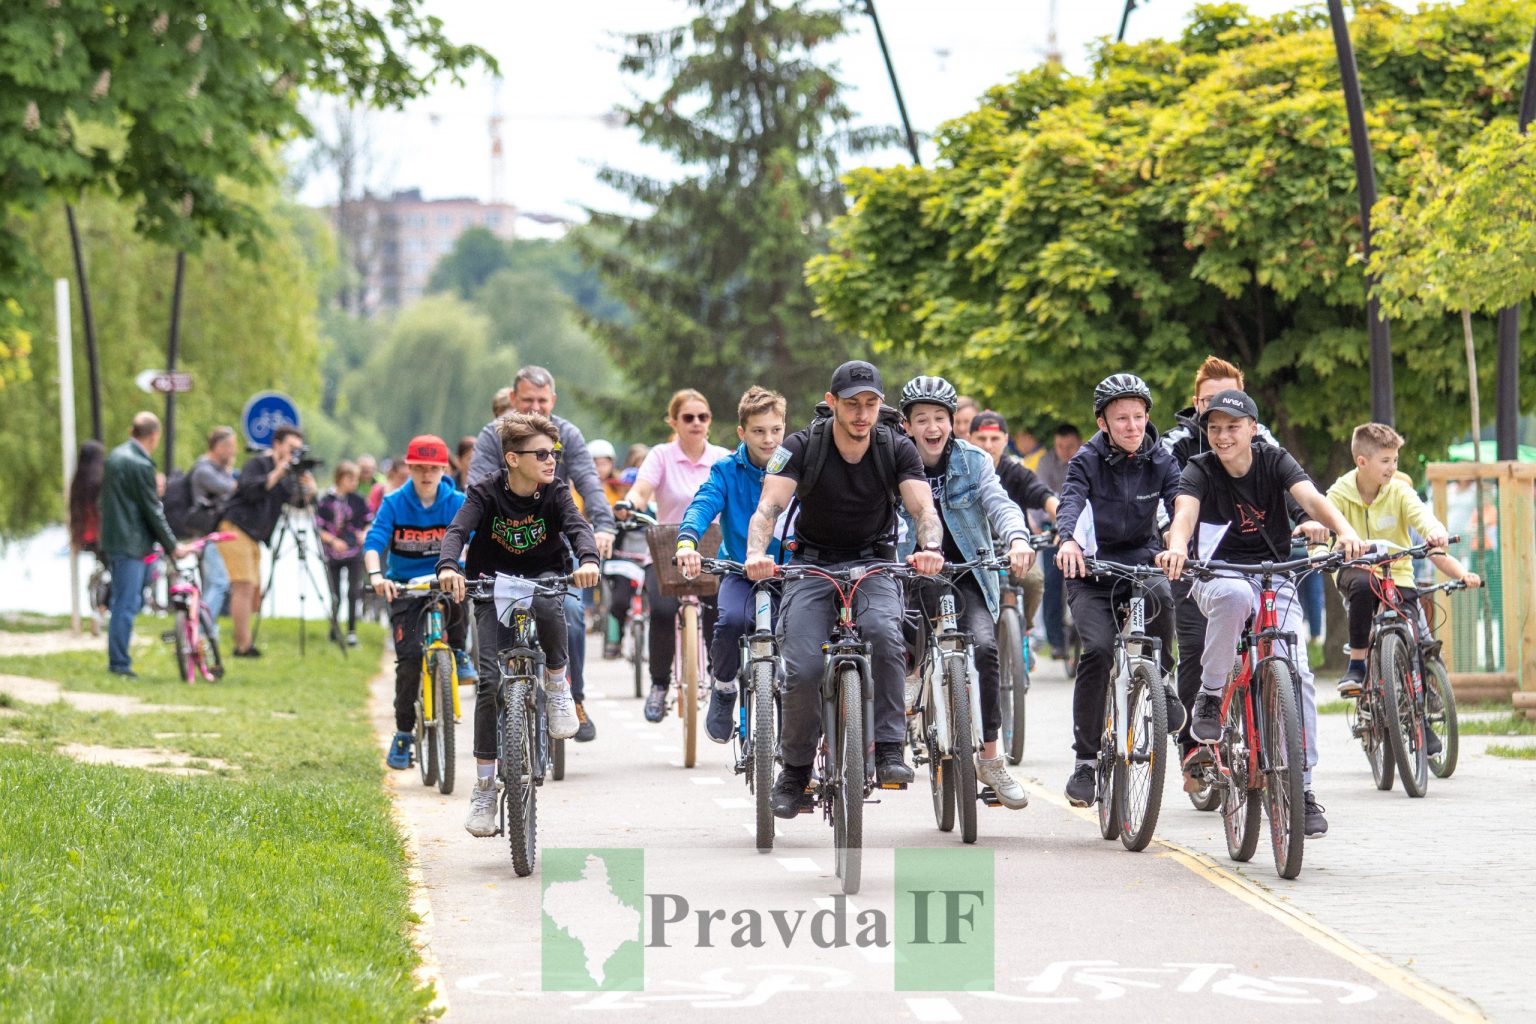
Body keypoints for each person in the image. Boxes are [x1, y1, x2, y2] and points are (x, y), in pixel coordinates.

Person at [1158, 389, 1367, 839]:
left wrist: (1345, 531)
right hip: (1217, 574)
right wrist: (1177, 547)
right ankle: (1211, 698)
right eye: (1214, 428)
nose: (1222, 436)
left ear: (1253, 429)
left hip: (1274, 575)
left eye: (1233, 427)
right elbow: (1184, 514)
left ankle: (1303, 787)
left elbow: (1311, 499)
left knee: (1299, 673)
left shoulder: (1274, 460)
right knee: (1234, 598)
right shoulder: (1200, 469)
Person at [744, 360, 945, 817]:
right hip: (812, 565)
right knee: (802, 667)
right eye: (852, 404)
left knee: (885, 636)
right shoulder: (801, 446)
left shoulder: (896, 447)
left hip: (874, 561)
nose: (862, 414)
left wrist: (929, 545)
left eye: (871, 404)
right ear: (832, 403)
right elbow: (768, 508)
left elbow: (923, 510)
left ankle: (890, 747)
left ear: (881, 405)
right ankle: (795, 772)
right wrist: (757, 552)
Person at [1159, 355, 1325, 786]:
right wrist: (1173, 541)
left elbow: (1286, 486)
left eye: (1232, 413)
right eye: (1211, 407)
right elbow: (1173, 501)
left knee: (1286, 663)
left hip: (1264, 564)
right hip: (1199, 562)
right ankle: (1196, 748)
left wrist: (1307, 519)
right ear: (1196, 404)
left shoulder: (1262, 441)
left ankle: (1278, 750)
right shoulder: (1178, 446)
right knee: (1197, 647)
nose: (1223, 426)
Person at [437, 413, 600, 837]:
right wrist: (449, 566)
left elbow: (578, 527)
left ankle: (558, 685)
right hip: (492, 586)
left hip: (543, 579)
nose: (551, 461)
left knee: (551, 605)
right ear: (512, 458)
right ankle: (486, 787)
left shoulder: (556, 492)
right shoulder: (484, 492)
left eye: (555, 453)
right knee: (489, 682)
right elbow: (457, 531)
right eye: (541, 454)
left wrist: (588, 560)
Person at [896, 378, 1035, 809]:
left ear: (954, 423)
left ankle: (990, 758)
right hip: (910, 573)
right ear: (907, 425)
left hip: (969, 571)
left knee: (987, 648)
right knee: (897, 641)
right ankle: (905, 699)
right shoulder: (894, 460)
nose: (933, 427)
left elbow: (999, 503)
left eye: (941, 418)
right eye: (923, 419)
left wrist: (1016, 539)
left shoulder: (973, 460)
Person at [1055, 375, 1183, 808]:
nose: (1131, 426)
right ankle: (1086, 762)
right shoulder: (1085, 460)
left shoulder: (1161, 459)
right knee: (1098, 650)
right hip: (1090, 569)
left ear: (1148, 417)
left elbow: (1179, 504)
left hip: (1141, 560)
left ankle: (1161, 678)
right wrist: (1068, 539)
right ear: (1103, 422)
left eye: (1138, 416)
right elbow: (1071, 500)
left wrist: (1179, 544)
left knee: (1163, 595)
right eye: (1121, 418)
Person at [468, 366, 615, 743]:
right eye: (527, 400)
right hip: (503, 548)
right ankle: (504, 702)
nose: (535, 407)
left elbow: (588, 482)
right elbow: (476, 489)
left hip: (553, 543)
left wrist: (603, 528)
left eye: (542, 401)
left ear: (553, 401)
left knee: (570, 614)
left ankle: (572, 696)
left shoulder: (569, 435)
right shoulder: (494, 436)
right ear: (513, 401)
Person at [1325, 424, 1481, 717]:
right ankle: (1357, 665)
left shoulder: (1399, 491)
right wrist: (1322, 555)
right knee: (1361, 584)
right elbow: (1321, 529)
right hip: (1355, 570)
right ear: (1362, 462)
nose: (1393, 467)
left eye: (1395, 460)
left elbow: (1423, 517)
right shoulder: (1339, 493)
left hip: (1397, 575)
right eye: (1386, 461)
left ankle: (1420, 717)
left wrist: (1436, 532)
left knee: (1416, 636)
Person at [675, 386, 789, 744]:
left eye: (775, 429)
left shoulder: (797, 465)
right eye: (758, 431)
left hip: (791, 573)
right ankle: (724, 689)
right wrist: (687, 540)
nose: (768, 439)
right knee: (731, 622)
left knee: (803, 638)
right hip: (739, 570)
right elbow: (703, 503)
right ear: (742, 433)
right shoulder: (725, 469)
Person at [619, 389, 731, 724]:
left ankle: (717, 678)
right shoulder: (661, 455)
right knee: (663, 610)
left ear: (710, 421)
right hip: (668, 549)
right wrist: (631, 505)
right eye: (688, 417)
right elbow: (642, 490)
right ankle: (658, 685)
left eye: (703, 417)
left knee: (717, 611)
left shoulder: (723, 458)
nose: (696, 423)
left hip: (713, 547)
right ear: (674, 421)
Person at [364, 435, 468, 770]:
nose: (426, 475)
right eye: (420, 468)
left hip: (445, 581)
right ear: (409, 468)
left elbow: (476, 539)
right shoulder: (394, 502)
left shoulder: (456, 502)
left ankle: (461, 651)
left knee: (461, 594)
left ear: (444, 469)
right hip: (404, 587)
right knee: (408, 660)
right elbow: (375, 540)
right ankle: (404, 732)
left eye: (434, 468)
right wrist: (377, 576)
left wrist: (471, 568)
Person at [100, 413, 190, 677]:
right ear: (154, 436)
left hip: (116, 539)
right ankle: (119, 664)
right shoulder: (140, 464)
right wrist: (173, 546)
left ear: (132, 430)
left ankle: (118, 659)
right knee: (126, 604)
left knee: (124, 601)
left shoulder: (115, 457)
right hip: (132, 543)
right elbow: (152, 510)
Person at [215, 426, 315, 657]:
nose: (294, 454)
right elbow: (250, 491)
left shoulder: (289, 474)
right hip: (236, 528)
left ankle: (245, 641)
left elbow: (296, 503)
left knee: (252, 591)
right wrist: (278, 472)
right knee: (243, 586)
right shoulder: (257, 464)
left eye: (299, 450)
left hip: (254, 537)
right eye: (291, 448)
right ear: (277, 445)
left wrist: (308, 489)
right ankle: (243, 646)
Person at [968, 410, 1057, 633]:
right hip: (973, 556)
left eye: (995, 439)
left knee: (1033, 580)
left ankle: (1023, 630)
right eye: (982, 438)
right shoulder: (963, 471)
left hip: (1015, 552)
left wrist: (1065, 522)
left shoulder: (1017, 473)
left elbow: (1044, 496)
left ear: (1006, 440)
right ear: (970, 439)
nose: (988, 445)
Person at [1032, 423, 1081, 658]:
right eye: (1060, 446)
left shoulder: (1085, 460)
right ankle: (1056, 642)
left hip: (1082, 529)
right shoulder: (1046, 463)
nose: (1065, 451)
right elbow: (1041, 499)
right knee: (1051, 583)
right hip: (1052, 528)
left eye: (1070, 446)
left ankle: (1079, 631)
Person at [187, 426, 238, 633]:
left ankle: (203, 629)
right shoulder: (204, 471)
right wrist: (229, 472)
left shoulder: (215, 470)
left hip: (216, 535)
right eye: (231, 447)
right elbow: (233, 489)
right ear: (218, 447)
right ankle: (201, 630)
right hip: (208, 536)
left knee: (213, 584)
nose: (233, 452)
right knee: (218, 583)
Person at [315, 460, 371, 646]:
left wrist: (364, 533)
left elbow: (368, 521)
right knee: (335, 593)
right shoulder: (326, 501)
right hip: (332, 553)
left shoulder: (358, 500)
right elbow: (318, 527)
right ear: (340, 478)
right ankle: (334, 628)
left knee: (354, 591)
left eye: (356, 479)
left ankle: (352, 631)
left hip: (354, 551)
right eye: (350, 478)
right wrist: (332, 541)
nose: (354, 483)